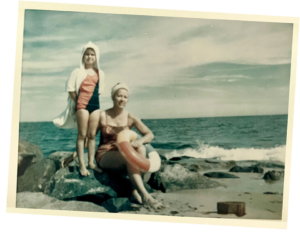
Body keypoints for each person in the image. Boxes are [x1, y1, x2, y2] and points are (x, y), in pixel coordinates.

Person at [62, 82, 164, 210]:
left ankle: (134, 191)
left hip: (124, 156)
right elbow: (89, 138)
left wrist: (141, 141)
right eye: (119, 96)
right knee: (130, 159)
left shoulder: (130, 117)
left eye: (125, 97)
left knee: (141, 148)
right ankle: (145, 195)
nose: (122, 99)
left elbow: (149, 134)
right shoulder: (102, 116)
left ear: (128, 99)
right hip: (106, 156)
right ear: (113, 97)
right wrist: (74, 156)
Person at [53, 41, 104, 176]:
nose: (89, 57)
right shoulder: (77, 72)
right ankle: (82, 165)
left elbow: (99, 91)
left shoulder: (100, 73)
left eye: (92, 54)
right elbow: (70, 89)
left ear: (96, 56)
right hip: (82, 105)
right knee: (82, 135)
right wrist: (78, 103)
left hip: (95, 106)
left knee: (92, 135)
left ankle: (91, 163)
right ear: (83, 56)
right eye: (87, 54)